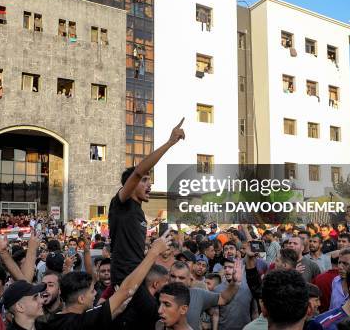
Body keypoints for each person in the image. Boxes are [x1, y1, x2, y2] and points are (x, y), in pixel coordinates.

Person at [44, 230, 172, 330]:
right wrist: (153, 252)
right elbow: (126, 289)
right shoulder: (82, 322)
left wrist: (117, 310)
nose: (95, 294)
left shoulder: (52, 321)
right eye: (91, 291)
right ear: (81, 299)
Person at [109, 118, 185, 285]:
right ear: (132, 184)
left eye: (149, 180)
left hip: (137, 276)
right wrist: (170, 142)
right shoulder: (121, 203)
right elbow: (137, 172)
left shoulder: (139, 212)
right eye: (144, 180)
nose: (149, 184)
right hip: (124, 281)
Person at [168, 259, 242, 330]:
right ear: (168, 276)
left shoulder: (198, 294)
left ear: (189, 279)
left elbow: (223, 299)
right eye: (173, 276)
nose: (176, 281)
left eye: (181, 278)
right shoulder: (161, 295)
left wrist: (235, 283)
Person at [212, 258, 254, 330]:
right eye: (225, 267)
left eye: (231, 267)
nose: (227, 270)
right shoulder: (217, 289)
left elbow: (254, 312)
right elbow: (215, 315)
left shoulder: (249, 287)